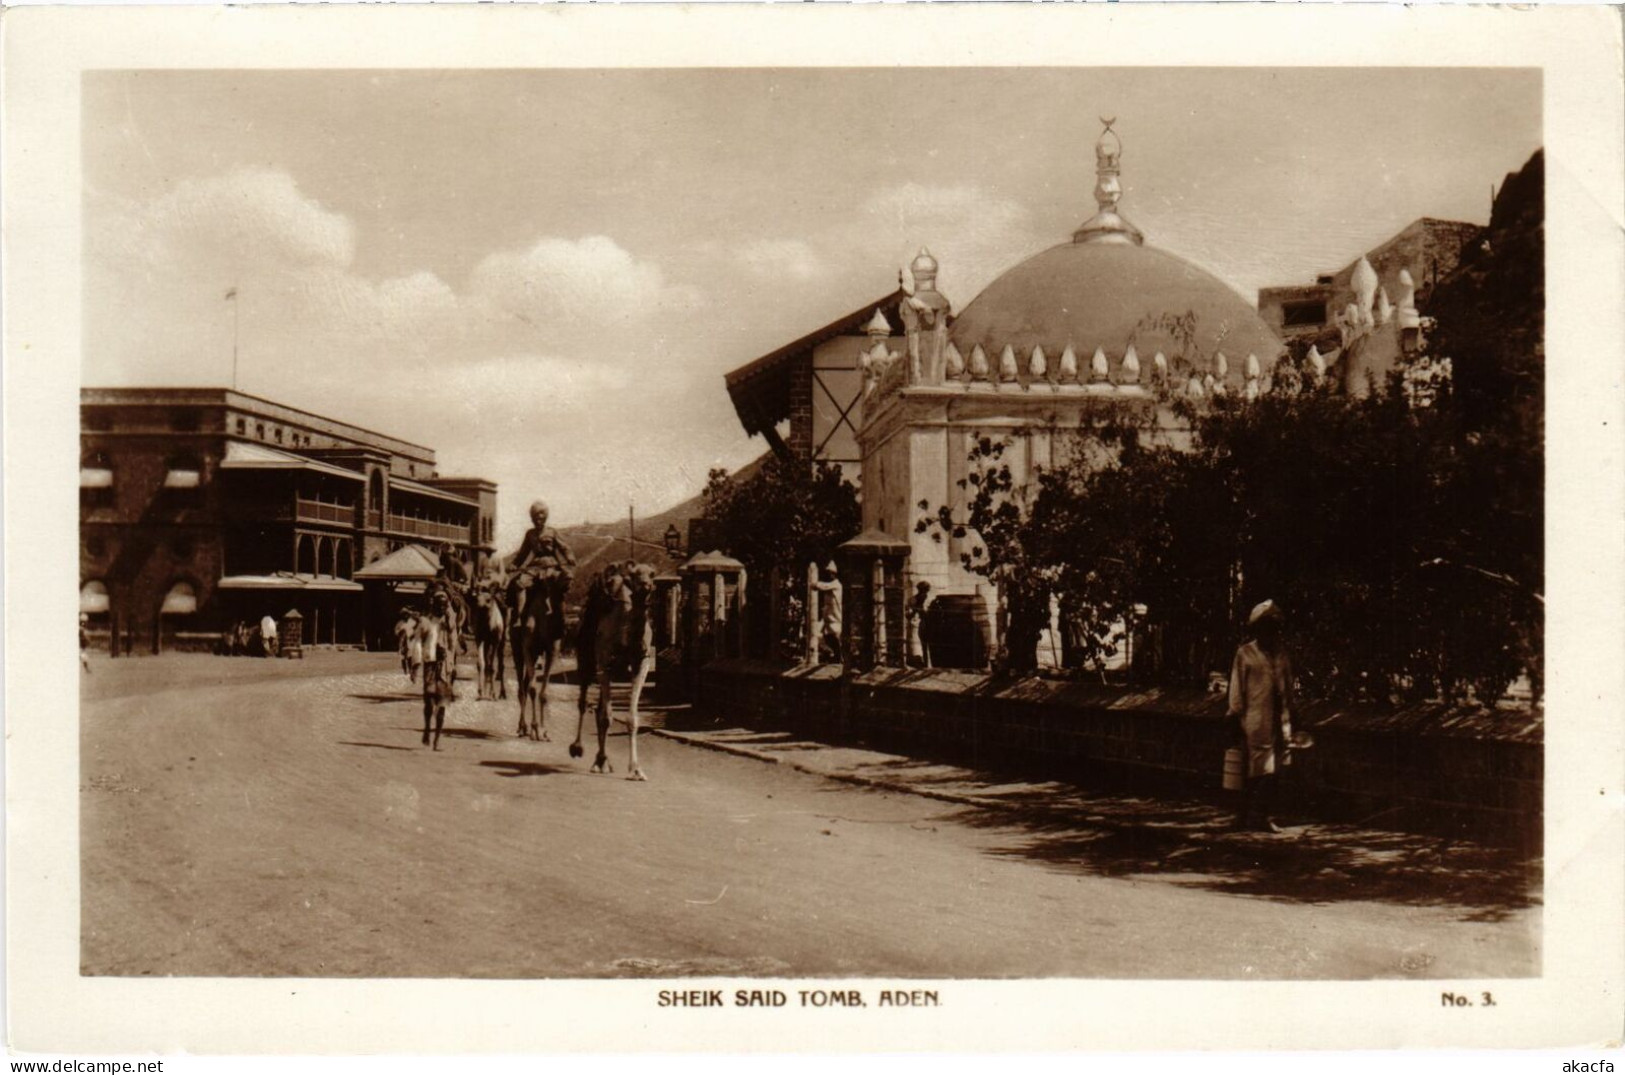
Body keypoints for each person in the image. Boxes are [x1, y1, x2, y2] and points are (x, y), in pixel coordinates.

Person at [1226, 599, 1295, 833]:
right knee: (1254, 770)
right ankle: (1243, 816)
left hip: (1279, 720)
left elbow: (1288, 687)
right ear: (1258, 629)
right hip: (1254, 719)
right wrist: (1235, 713)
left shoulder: (1281, 655)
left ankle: (1264, 816)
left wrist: (1291, 715)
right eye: (1267, 627)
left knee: (1275, 772)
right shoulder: (1245, 654)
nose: (1272, 632)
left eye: (1275, 627)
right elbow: (1237, 687)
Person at [506, 500, 576, 623]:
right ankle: (519, 616)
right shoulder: (530, 534)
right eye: (535, 518)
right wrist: (514, 564)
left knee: (559, 582)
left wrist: (569, 557)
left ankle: (558, 615)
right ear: (532, 518)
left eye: (541, 518)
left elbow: (565, 547)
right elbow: (523, 553)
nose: (538, 521)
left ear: (545, 518)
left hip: (551, 565)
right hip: (534, 567)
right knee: (519, 583)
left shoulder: (552, 532)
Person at [810, 561, 843, 663]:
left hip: (835, 616)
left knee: (834, 635)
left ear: (834, 574)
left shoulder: (836, 584)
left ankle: (839, 656)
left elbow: (821, 586)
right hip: (829, 616)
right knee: (827, 636)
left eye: (830, 573)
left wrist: (813, 583)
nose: (829, 575)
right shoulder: (831, 585)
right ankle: (836, 655)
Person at [906, 580, 933, 668]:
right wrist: (915, 609)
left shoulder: (929, 600)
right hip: (922, 623)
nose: (924, 593)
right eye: (923, 590)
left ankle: (929, 663)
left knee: (930, 643)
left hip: (930, 623)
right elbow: (909, 615)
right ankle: (925, 663)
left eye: (925, 591)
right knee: (923, 643)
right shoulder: (914, 600)